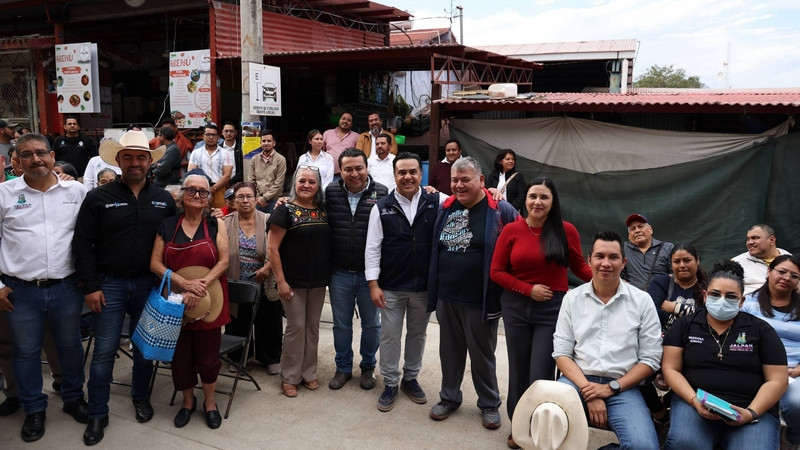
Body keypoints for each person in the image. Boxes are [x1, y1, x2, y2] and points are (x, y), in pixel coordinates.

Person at [73, 130, 176, 446]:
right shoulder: (98, 198)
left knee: (144, 349)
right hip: (109, 285)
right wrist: (90, 287)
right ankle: (97, 413)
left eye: (140, 157)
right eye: (128, 157)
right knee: (104, 351)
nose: (135, 163)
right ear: (118, 161)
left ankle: (140, 397)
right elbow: (82, 244)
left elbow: (172, 242)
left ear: (149, 162)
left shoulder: (163, 198)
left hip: (148, 285)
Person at [490, 176, 592, 448]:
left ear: (553, 202)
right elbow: (496, 272)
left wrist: (609, 279)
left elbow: (580, 268)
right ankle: (519, 425)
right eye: (533, 196)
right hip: (516, 307)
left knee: (542, 371)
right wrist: (527, 289)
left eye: (544, 197)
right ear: (525, 200)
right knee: (519, 369)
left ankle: (542, 425)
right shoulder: (512, 230)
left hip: (552, 310)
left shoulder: (566, 230)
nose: (537, 202)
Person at [0, 133, 89, 442]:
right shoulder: (5, 194)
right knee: (25, 352)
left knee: (70, 346)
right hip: (20, 291)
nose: (35, 159)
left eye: (41, 153)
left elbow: (92, 236)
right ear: (16, 161)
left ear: (53, 156)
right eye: (27, 154)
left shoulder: (76, 191)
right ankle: (34, 408)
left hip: (67, 287)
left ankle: (74, 398)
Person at [427, 156, 519, 429]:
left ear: (481, 181)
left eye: (465, 179)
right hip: (447, 296)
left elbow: (520, 243)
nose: (458, 185)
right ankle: (449, 398)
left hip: (481, 298)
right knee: (449, 352)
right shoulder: (445, 208)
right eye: (455, 180)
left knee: (482, 356)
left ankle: (489, 404)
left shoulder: (500, 210)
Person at [553, 230, 662, 450]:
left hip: (624, 387)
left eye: (613, 257)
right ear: (589, 260)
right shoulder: (572, 299)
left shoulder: (642, 301)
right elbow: (562, 353)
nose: (606, 263)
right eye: (600, 256)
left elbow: (650, 359)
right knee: (546, 425)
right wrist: (589, 391)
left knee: (644, 447)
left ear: (624, 262)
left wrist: (611, 388)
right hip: (576, 381)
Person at [662, 261, 788, 449]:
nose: (722, 300)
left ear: (742, 301)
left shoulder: (761, 330)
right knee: (686, 444)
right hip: (694, 404)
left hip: (750, 407)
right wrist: (694, 401)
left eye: (730, 296)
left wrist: (751, 412)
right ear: (704, 296)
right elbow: (670, 368)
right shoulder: (684, 326)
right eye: (715, 294)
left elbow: (777, 380)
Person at [365, 152, 445, 411]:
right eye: (402, 172)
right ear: (395, 175)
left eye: (413, 172)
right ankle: (390, 383)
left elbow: (470, 200)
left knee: (418, 334)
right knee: (389, 336)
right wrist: (373, 284)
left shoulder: (438, 201)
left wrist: (494, 193)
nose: (407, 177)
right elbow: (373, 248)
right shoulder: (382, 206)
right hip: (391, 286)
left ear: (421, 175)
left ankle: (410, 379)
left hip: (423, 286)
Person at [150, 174, 230, 430]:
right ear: (182, 194)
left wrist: (200, 286)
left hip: (211, 297)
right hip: (176, 300)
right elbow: (155, 263)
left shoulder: (216, 224)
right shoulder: (167, 225)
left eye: (203, 192)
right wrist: (184, 285)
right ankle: (187, 402)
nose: (197, 195)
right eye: (191, 190)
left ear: (209, 197)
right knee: (180, 357)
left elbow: (224, 261)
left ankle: (209, 402)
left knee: (208, 357)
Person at [326, 148, 388, 391]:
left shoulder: (381, 192)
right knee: (341, 324)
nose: (354, 173)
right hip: (339, 272)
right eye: (348, 169)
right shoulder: (330, 192)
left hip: (370, 275)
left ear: (367, 168)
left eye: (358, 168)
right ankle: (342, 368)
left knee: (372, 324)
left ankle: (367, 367)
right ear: (340, 171)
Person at [268, 165, 331, 398]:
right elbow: (272, 248)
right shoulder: (284, 210)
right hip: (291, 282)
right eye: (302, 181)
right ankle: (290, 376)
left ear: (318, 186)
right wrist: (281, 281)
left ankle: (309, 372)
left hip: (317, 282)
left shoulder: (323, 210)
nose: (307, 185)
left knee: (312, 327)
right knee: (296, 327)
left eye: (312, 182)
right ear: (294, 183)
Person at [643, 242, 709, 434]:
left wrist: (673, 307)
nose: (682, 265)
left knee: (695, 376)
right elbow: (651, 313)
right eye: (676, 261)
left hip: (694, 345)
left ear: (697, 261)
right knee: (641, 378)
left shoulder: (708, 286)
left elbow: (708, 317)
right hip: (659, 343)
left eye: (687, 260)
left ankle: (671, 404)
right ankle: (660, 413)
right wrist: (690, 315)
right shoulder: (661, 282)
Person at [223, 182, 283, 375]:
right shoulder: (225, 222)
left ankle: (270, 358)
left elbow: (277, 248)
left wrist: (267, 267)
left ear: (257, 199)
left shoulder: (268, 220)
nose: (245, 201)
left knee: (268, 319)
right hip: (237, 280)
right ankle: (238, 357)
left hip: (263, 279)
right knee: (238, 320)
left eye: (249, 196)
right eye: (240, 197)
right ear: (234, 201)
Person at [741, 254, 800, 449]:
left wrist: (797, 370)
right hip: (758, 368)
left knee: (796, 402)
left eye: (794, 276)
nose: (786, 278)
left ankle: (793, 437)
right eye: (781, 272)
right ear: (768, 272)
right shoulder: (747, 303)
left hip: (795, 371)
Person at [732, 224, 791, 295]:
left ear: (772, 240)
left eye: (755, 238)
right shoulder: (735, 263)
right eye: (748, 239)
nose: (750, 242)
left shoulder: (791, 261)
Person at [621, 213, 674, 290]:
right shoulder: (623, 249)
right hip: (633, 297)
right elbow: (617, 275)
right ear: (629, 236)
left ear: (650, 229)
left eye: (640, 226)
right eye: (633, 229)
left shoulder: (667, 248)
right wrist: (622, 282)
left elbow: (676, 275)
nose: (637, 231)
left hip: (661, 297)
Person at [188, 123, 232, 209]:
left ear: (218, 137)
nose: (211, 137)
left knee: (220, 214)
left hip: (219, 188)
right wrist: (204, 188)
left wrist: (213, 188)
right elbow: (191, 173)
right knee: (200, 213)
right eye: (208, 134)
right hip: (200, 189)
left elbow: (227, 175)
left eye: (214, 135)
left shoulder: (225, 153)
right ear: (203, 136)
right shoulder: (196, 153)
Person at [248, 129, 286, 214]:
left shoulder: (280, 159)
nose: (266, 143)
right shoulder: (254, 159)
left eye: (269, 141)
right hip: (258, 201)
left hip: (274, 201)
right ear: (260, 143)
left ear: (274, 143)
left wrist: (264, 198)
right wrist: (257, 197)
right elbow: (251, 180)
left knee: (273, 226)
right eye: (263, 141)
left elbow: (279, 183)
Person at [486, 149, 526, 214]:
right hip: (495, 212)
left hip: (512, 213)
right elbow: (487, 192)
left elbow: (521, 197)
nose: (511, 161)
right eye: (508, 159)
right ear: (500, 161)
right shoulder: (493, 176)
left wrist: (509, 210)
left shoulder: (518, 176)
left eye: (513, 159)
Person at [322, 112, 358, 177]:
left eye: (348, 120)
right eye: (343, 118)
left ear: (352, 124)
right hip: (327, 174)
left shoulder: (357, 137)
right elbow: (321, 152)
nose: (345, 121)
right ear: (339, 120)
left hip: (347, 175)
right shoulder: (327, 133)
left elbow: (358, 157)